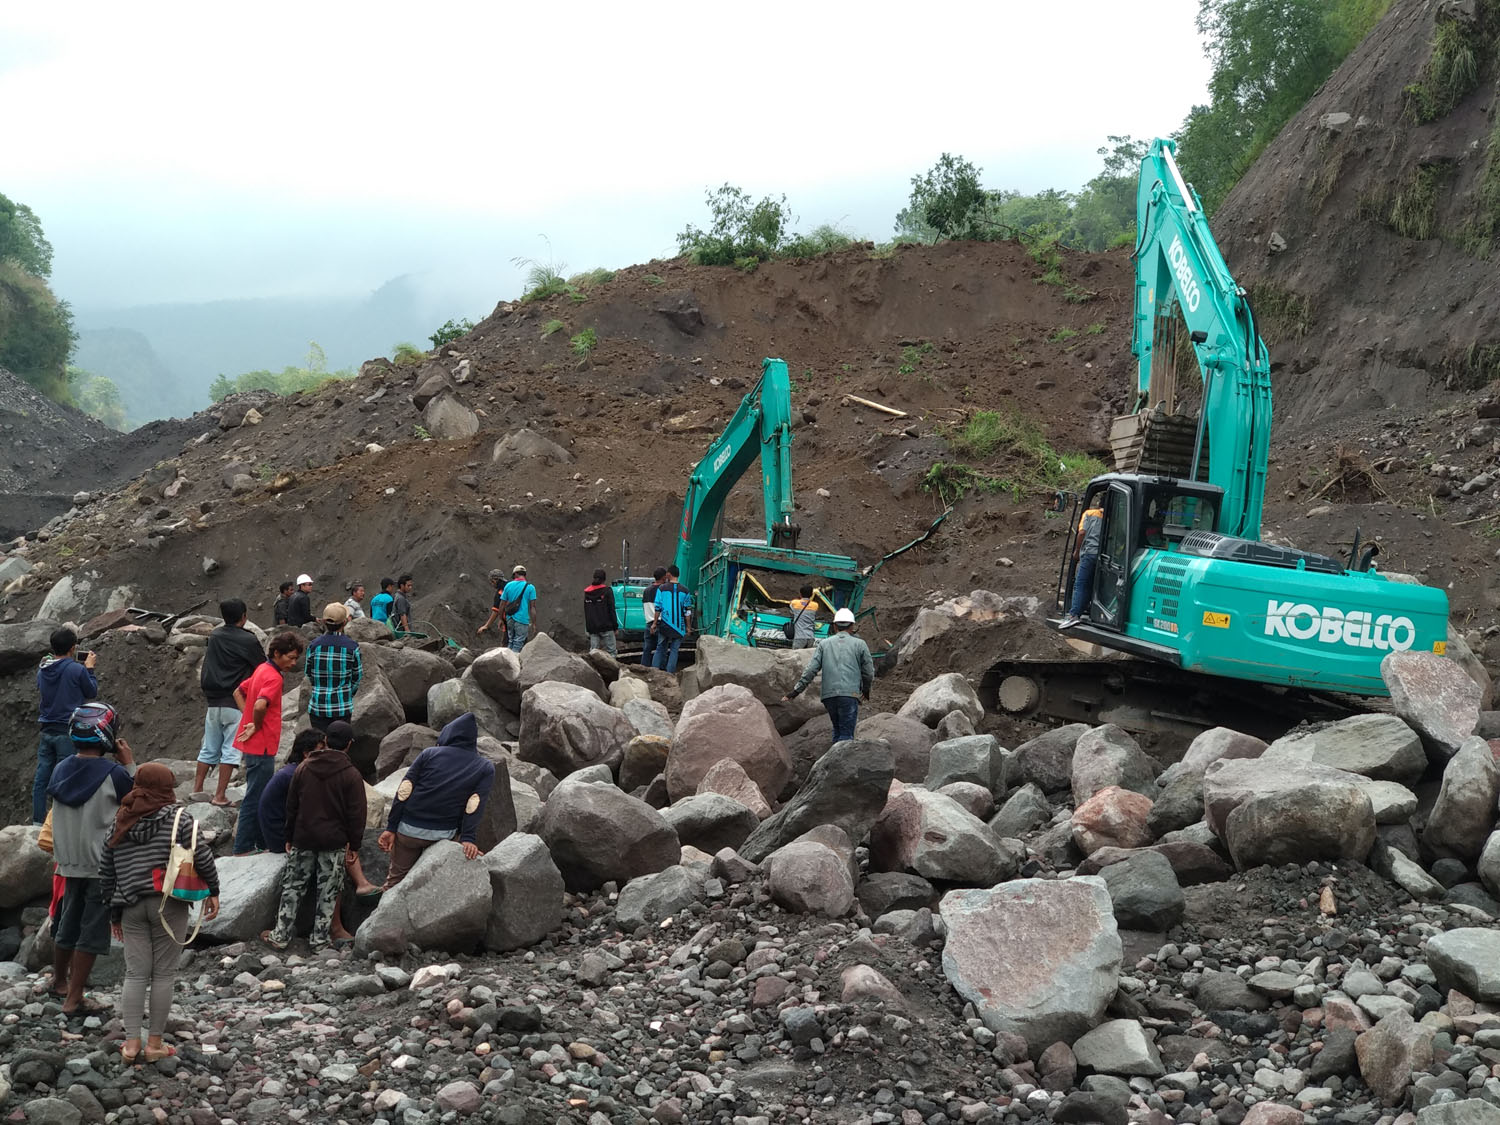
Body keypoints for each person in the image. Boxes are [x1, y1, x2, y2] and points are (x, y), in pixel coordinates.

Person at [98, 762, 220, 1063]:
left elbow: (106, 871)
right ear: (166, 787)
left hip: (130, 905)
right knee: (164, 973)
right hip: (170, 902)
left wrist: (114, 913)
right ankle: (154, 1044)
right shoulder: (180, 818)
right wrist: (213, 891)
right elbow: (201, 856)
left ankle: (130, 1045)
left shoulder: (120, 821)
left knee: (135, 973)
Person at [46, 701, 135, 1018]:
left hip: (68, 863)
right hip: (101, 866)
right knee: (92, 931)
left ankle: (58, 982)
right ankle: (74, 998)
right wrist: (130, 765)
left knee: (66, 920)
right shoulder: (114, 774)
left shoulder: (59, 769)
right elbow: (139, 802)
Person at [260, 726, 380, 937]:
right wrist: (355, 844)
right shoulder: (350, 774)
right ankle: (321, 939)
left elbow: (292, 806)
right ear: (349, 744)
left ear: (326, 740)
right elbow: (357, 813)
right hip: (333, 840)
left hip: (303, 837)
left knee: (293, 887)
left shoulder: (303, 768)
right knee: (329, 890)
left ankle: (280, 935)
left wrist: (289, 836)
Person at [378, 713, 495, 888]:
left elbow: (404, 791)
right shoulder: (484, 767)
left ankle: (386, 904)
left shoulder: (428, 754)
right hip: (443, 836)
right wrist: (467, 839)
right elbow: (474, 804)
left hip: (407, 832)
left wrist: (391, 828)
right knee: (437, 885)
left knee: (396, 881)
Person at [230, 631, 306, 856]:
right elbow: (261, 705)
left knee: (258, 792)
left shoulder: (262, 669)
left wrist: (248, 719)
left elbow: (238, 691)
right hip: (262, 744)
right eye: (290, 658)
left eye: (295, 659)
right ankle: (243, 846)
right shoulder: (274, 677)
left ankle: (259, 842)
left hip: (254, 744)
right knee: (257, 796)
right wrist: (254, 723)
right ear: (276, 653)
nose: (293, 663)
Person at [194, 598, 265, 807]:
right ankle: (220, 795)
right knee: (231, 749)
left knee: (209, 746)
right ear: (243, 616)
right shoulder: (248, 640)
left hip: (213, 701)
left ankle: (197, 789)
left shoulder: (215, 636)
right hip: (236, 701)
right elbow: (261, 667)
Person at [33, 626, 98, 825]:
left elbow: (41, 686)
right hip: (67, 730)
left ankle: (38, 822)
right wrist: (90, 669)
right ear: (72, 648)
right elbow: (91, 691)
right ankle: (61, 824)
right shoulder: (76, 669)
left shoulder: (43, 669)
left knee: (41, 779)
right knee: (65, 777)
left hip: (47, 729)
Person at [782, 607, 875, 743]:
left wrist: (795, 691)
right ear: (852, 626)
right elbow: (869, 672)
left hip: (829, 696)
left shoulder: (824, 644)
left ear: (835, 626)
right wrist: (866, 690)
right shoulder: (860, 644)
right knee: (846, 735)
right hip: (850, 695)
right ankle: (842, 762)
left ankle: (834, 759)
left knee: (837, 731)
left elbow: (811, 670)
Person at [305, 603, 363, 730]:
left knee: (319, 747)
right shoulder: (352, 647)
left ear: (324, 622)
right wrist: (347, 693)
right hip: (342, 708)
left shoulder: (314, 646)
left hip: (318, 707)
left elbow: (308, 673)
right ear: (344, 622)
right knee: (338, 747)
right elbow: (357, 678)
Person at [1063, 502, 1105, 625]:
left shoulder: (1089, 513)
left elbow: (1082, 533)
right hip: (1104, 556)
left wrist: (1076, 551)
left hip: (1089, 553)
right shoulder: (1113, 516)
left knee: (1081, 584)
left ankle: (1074, 614)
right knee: (1093, 584)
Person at [652, 565, 694, 674]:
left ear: (669, 574)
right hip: (679, 626)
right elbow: (687, 611)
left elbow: (658, 608)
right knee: (674, 650)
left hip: (665, 624)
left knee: (660, 648)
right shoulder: (685, 590)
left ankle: (654, 672)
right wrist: (688, 627)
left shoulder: (662, 588)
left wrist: (654, 623)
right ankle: (670, 674)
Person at [500, 565, 537, 653]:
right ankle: (512, 662)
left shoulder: (508, 585)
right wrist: (534, 623)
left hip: (509, 618)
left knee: (511, 641)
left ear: (515, 574)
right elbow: (532, 607)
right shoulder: (530, 587)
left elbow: (502, 604)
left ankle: (507, 660)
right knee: (518, 643)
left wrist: (501, 619)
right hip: (522, 619)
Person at [583, 568, 619, 658]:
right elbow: (611, 609)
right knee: (612, 652)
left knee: (593, 652)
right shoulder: (607, 591)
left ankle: (593, 671)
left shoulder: (587, 593)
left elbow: (586, 610)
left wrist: (588, 627)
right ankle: (611, 671)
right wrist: (615, 627)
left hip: (593, 627)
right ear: (604, 579)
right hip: (606, 626)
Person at [638, 568, 667, 671]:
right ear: (664, 577)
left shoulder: (646, 590)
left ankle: (643, 669)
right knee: (661, 648)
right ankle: (658, 670)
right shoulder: (663, 590)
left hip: (648, 623)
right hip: (660, 622)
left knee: (647, 648)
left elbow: (644, 607)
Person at [477, 569, 508, 641]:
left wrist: (486, 626)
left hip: (509, 622)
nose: (492, 584)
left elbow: (496, 611)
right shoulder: (513, 586)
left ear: (495, 580)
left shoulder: (500, 592)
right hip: (523, 620)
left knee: (507, 646)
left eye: (491, 582)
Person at [787, 585, 819, 650]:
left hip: (799, 637)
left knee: (795, 657)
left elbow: (791, 609)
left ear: (800, 594)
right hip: (811, 637)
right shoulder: (815, 605)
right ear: (811, 594)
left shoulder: (795, 603)